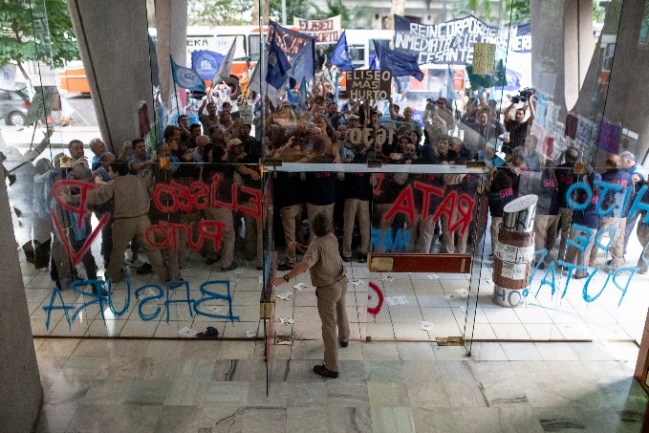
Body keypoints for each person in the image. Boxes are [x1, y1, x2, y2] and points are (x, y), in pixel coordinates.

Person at [271, 213, 350, 379]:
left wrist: (285, 278)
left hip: (328, 289)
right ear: (328, 226)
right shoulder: (332, 238)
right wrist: (300, 246)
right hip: (342, 281)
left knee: (328, 326)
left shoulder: (316, 244)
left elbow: (305, 265)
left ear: (313, 229)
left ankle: (331, 367)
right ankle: (344, 338)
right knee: (342, 310)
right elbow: (316, 253)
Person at [85, 161, 170, 284]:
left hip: (124, 222)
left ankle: (113, 276)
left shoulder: (113, 184)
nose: (109, 173)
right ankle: (165, 276)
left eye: (110, 170)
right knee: (152, 250)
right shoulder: (139, 180)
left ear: (117, 172)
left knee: (118, 252)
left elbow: (98, 197)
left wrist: (76, 195)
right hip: (143, 220)